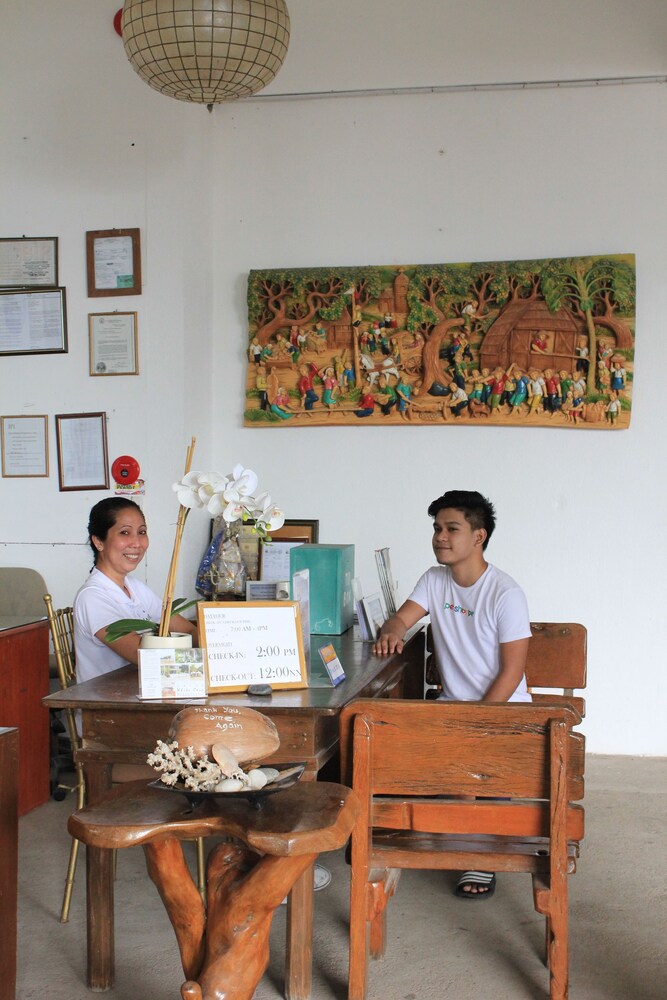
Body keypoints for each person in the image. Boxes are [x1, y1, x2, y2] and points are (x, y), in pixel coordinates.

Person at [373, 490, 531, 899]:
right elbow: (402, 618)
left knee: (465, 768)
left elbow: (512, 671)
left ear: (478, 536)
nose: (440, 537)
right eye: (437, 529)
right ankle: (458, 826)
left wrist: (476, 723)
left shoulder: (505, 593)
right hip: (451, 710)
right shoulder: (434, 579)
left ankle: (477, 855)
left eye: (451, 529)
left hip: (503, 713)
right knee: (385, 744)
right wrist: (392, 630)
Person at [74, 498, 198, 685]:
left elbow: (187, 629)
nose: (137, 543)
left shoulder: (135, 588)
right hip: (108, 707)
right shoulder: (92, 597)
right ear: (99, 541)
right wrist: (199, 664)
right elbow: (142, 655)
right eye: (125, 533)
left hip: (148, 692)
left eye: (142, 532)